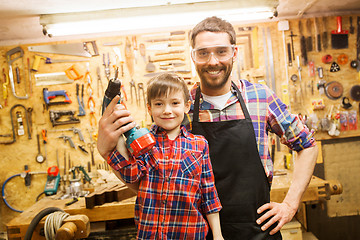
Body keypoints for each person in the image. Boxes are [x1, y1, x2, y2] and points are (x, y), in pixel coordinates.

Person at [98, 16, 318, 239]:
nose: (213, 61)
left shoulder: (260, 98)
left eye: (221, 51)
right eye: (203, 53)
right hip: (200, 233)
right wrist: (106, 150)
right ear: (193, 56)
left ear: (234, 52)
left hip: (258, 229)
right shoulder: (179, 109)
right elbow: (150, 181)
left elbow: (307, 145)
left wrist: (290, 205)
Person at [101, 73, 224, 240]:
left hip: (190, 233)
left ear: (187, 106)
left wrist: (218, 236)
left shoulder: (200, 145)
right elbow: (131, 175)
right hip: (150, 235)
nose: (167, 110)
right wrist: (118, 139)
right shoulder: (143, 143)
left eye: (174, 103)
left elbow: (209, 194)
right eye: (159, 104)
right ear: (149, 108)